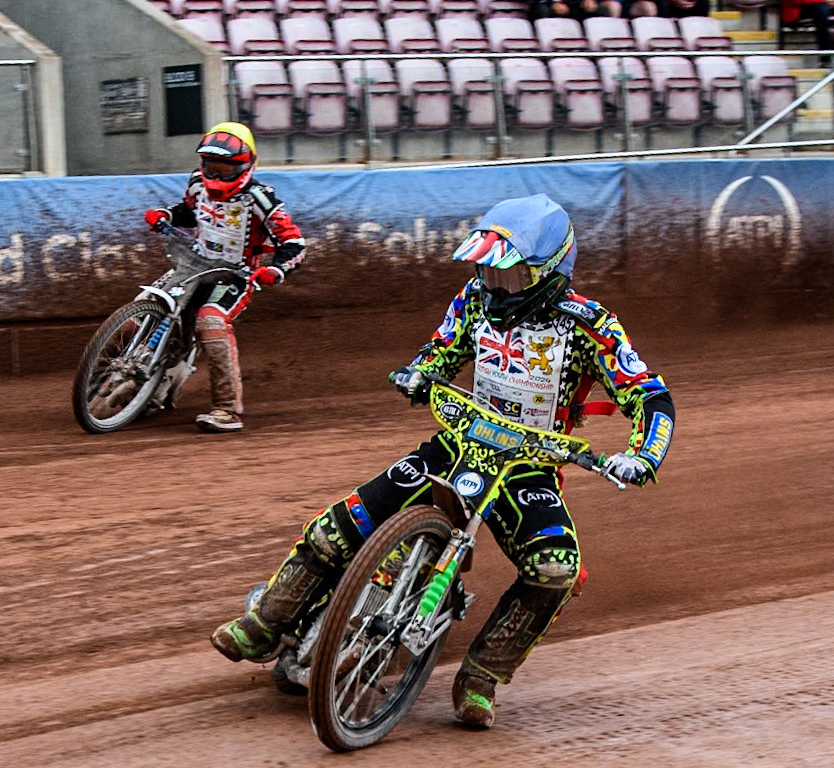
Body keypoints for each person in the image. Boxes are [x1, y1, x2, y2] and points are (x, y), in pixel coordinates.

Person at [210, 195, 676, 728]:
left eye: (509, 276)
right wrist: (419, 371)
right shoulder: (475, 299)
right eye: (485, 270)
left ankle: (481, 675)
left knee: (556, 569)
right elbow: (443, 349)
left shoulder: (590, 325)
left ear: (549, 273)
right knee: (338, 526)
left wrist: (643, 455)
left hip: (528, 466)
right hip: (457, 442)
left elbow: (650, 394)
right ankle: (267, 620)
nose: (492, 286)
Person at [143, 122, 305, 433]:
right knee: (147, 304)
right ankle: (131, 378)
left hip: (235, 275)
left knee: (211, 321)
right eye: (211, 168)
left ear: (246, 166)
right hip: (194, 263)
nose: (216, 177)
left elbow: (294, 242)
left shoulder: (261, 198)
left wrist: (277, 269)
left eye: (226, 170)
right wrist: (166, 214)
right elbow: (191, 212)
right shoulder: (196, 184)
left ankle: (226, 409)